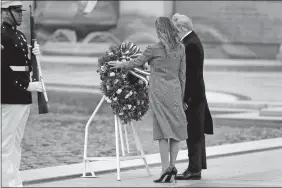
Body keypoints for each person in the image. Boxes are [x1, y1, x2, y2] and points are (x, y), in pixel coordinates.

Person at [108, 17, 187, 183]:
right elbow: (182, 75)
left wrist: (120, 64)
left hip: (158, 93)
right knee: (175, 132)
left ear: (159, 31)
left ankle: (165, 169)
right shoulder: (181, 48)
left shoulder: (153, 49)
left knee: (162, 132)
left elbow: (135, 63)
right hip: (175, 92)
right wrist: (181, 96)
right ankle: (172, 168)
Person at [1, 1, 43, 187]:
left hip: (23, 97)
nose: (21, 14)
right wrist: (25, 86)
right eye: (17, 11)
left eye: (21, 10)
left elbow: (23, 65)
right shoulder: (2, 35)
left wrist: (33, 55)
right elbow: (3, 68)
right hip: (11, 95)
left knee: (16, 143)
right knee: (5, 144)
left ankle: (14, 181)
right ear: (5, 12)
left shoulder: (18, 35)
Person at [171, 13, 214, 180]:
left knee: (193, 133)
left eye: (175, 30)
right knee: (196, 132)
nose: (174, 34)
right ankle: (195, 167)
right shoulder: (190, 41)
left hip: (193, 97)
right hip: (196, 95)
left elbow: (191, 76)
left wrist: (185, 99)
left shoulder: (190, 45)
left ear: (182, 28)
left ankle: (194, 170)